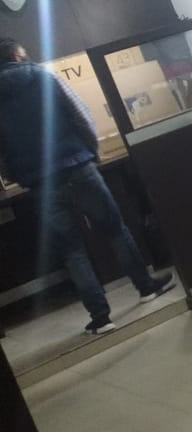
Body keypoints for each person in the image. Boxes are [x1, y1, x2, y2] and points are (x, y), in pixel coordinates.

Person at [0, 39, 173, 334]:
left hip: (41, 182)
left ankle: (101, 317)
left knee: (72, 250)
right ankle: (146, 288)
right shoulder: (43, 76)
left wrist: (17, 175)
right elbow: (80, 113)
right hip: (78, 166)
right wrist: (91, 151)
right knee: (114, 229)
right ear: (17, 55)